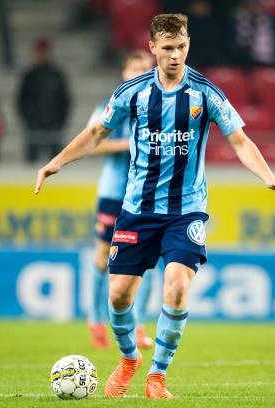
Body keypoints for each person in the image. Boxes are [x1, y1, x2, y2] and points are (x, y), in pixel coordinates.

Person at [35, 13, 275, 399]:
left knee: (176, 288)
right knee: (119, 297)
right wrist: (57, 161)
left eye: (182, 48)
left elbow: (240, 141)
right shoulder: (134, 92)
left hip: (186, 210)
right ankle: (128, 360)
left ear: (187, 45)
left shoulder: (206, 92)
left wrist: (267, 176)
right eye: (169, 49)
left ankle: (157, 375)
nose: (176, 56)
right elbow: (96, 132)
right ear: (153, 48)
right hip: (138, 210)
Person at [86, 50, 156, 351]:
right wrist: (130, 143)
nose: (141, 74)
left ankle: (138, 326)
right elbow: (91, 143)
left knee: (148, 262)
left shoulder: (159, 107)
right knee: (103, 258)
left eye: (146, 69)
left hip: (146, 195)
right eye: (135, 69)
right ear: (125, 73)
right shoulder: (110, 106)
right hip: (114, 193)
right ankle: (96, 322)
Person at [17, 38, 70, 162]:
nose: (42, 54)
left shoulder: (57, 75)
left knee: (57, 164)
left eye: (44, 51)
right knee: (31, 164)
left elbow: (65, 102)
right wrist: (30, 124)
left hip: (54, 128)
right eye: (39, 51)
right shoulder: (29, 76)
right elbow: (22, 103)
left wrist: (59, 124)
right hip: (34, 129)